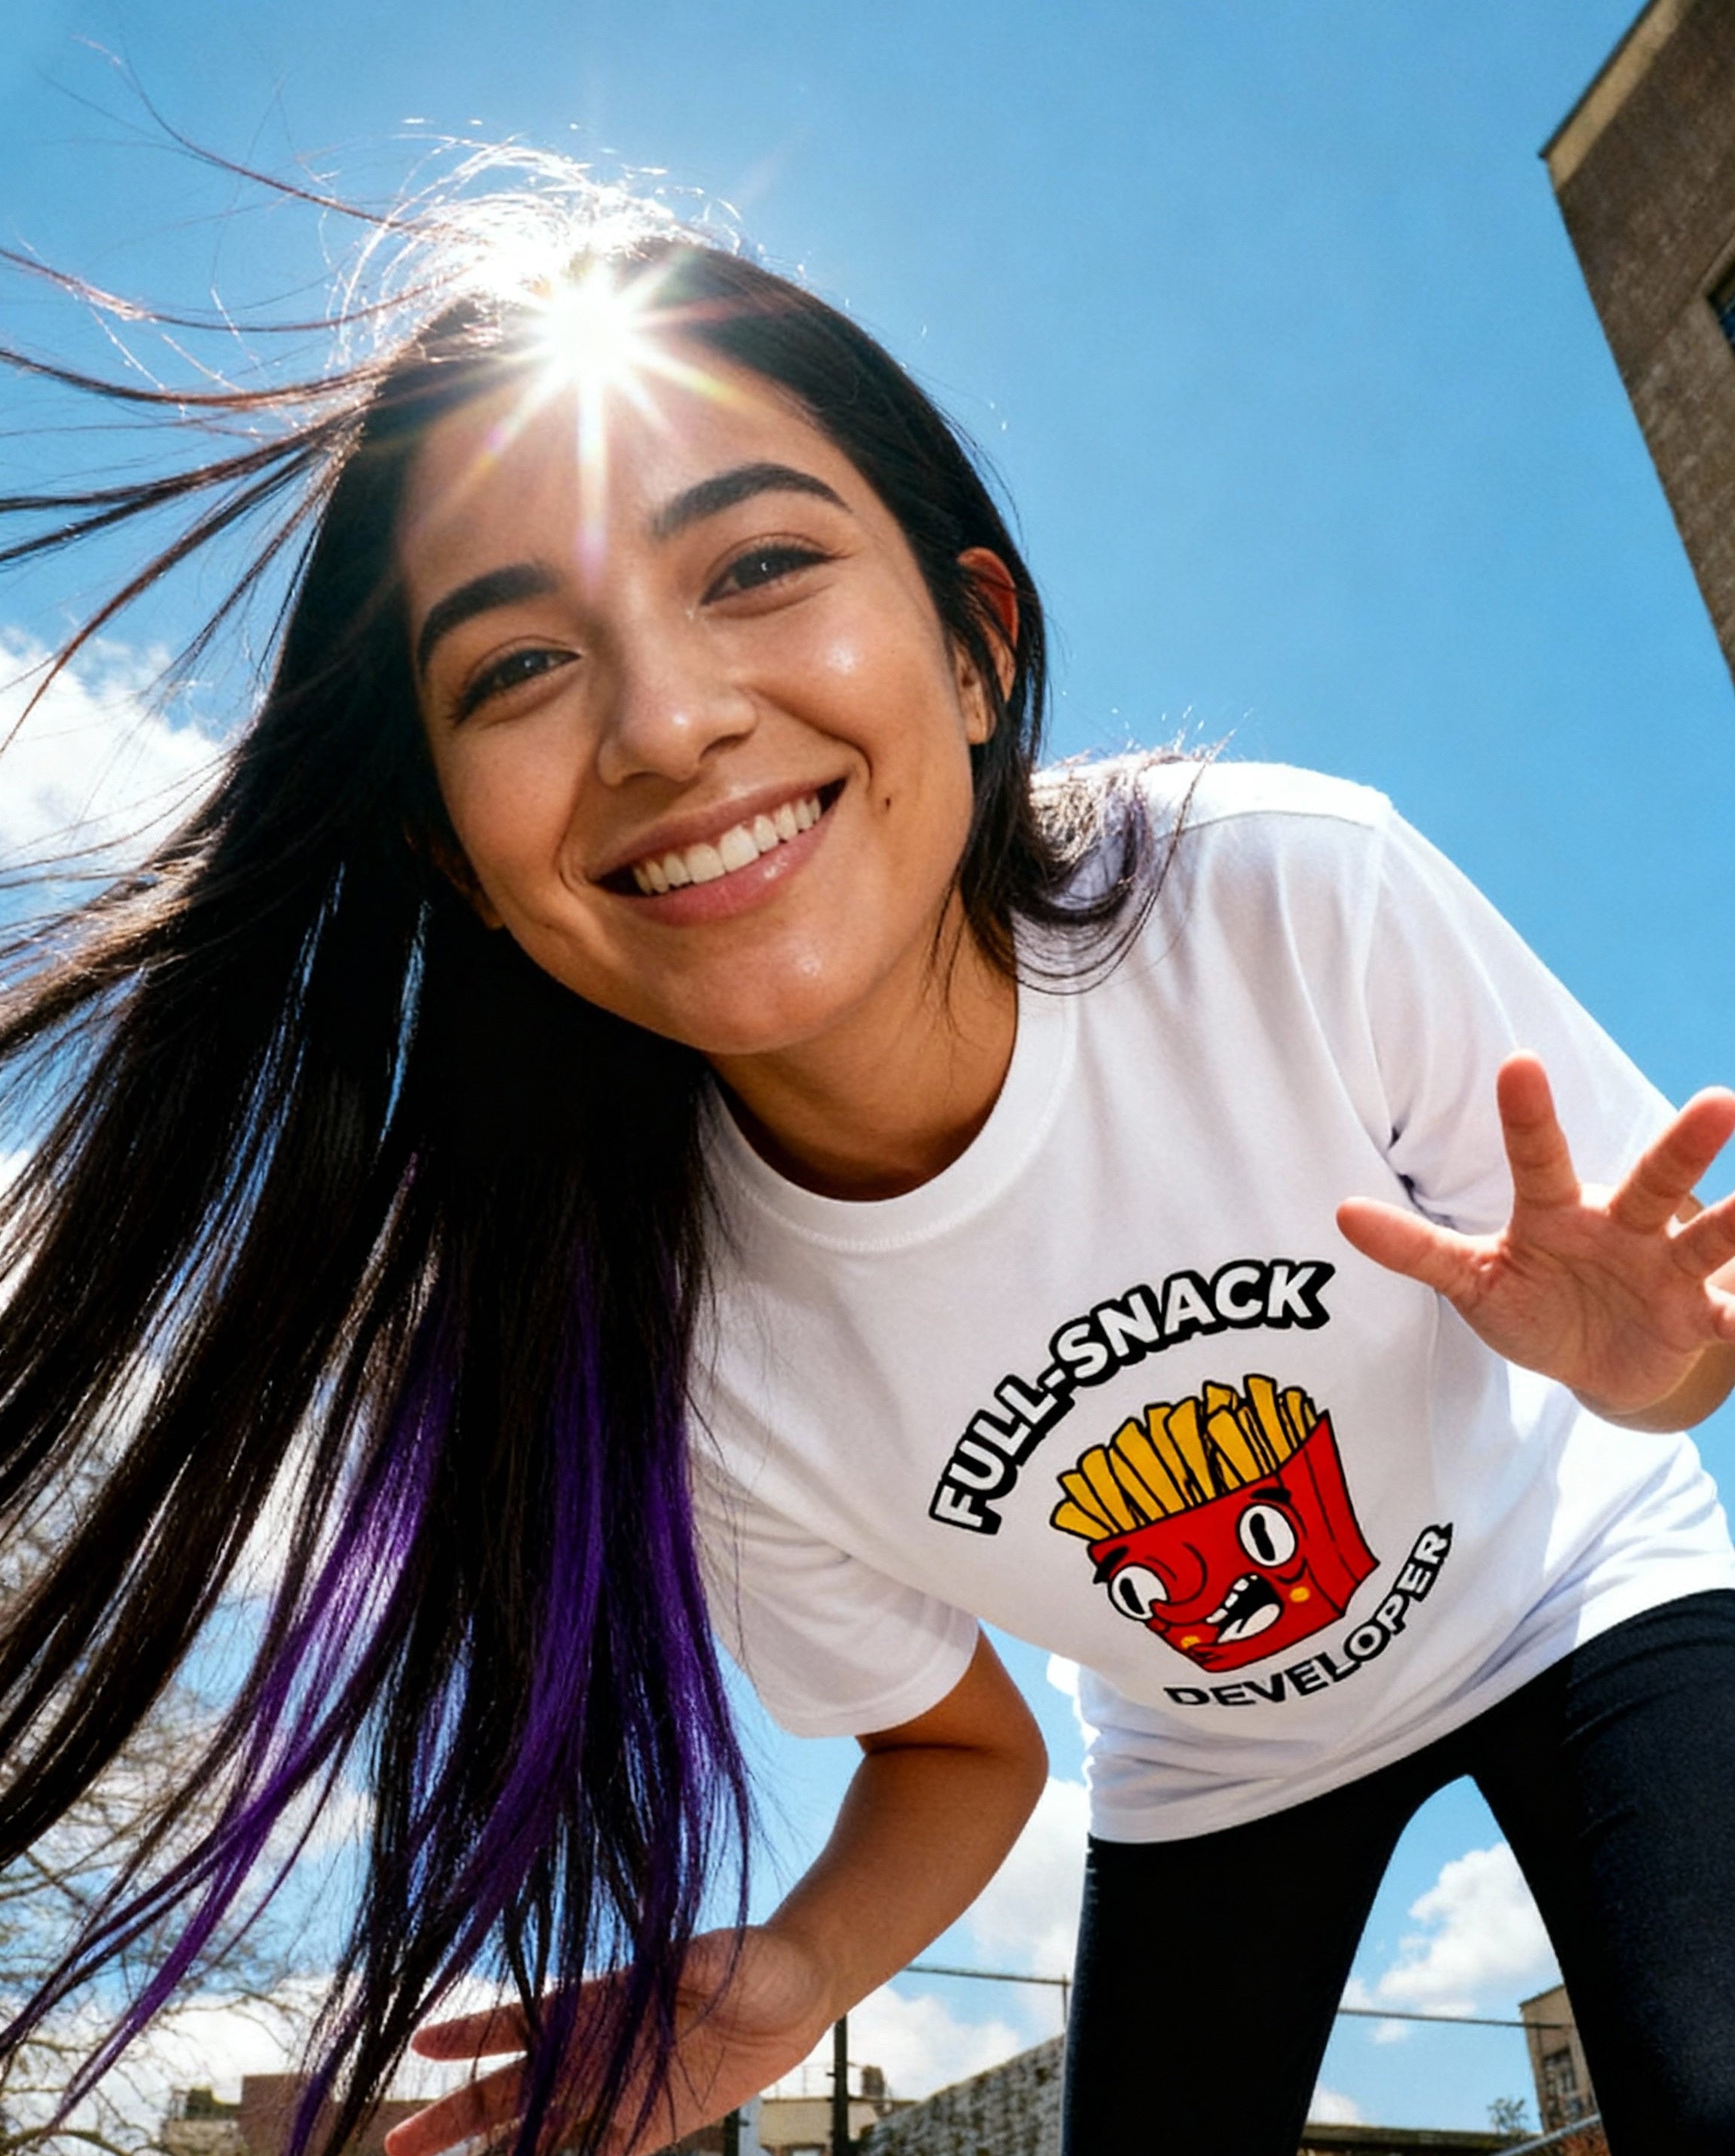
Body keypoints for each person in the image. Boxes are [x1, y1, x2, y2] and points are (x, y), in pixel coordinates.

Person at [2, 160, 1733, 2156]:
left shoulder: (1287, 894)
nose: (666, 724)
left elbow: (1675, 1353)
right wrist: (793, 1974)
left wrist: (1654, 1367)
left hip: (1570, 1591)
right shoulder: (680, 1342)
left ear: (977, 644)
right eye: (517, 667)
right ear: (452, 862)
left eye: (754, 564)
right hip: (1213, 1763)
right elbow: (956, 1748)